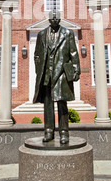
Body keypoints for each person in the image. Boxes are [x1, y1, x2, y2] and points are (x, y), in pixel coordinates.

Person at [33, 10, 81, 144]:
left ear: (60, 20)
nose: (55, 20)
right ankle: (48, 131)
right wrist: (39, 71)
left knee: (62, 104)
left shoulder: (68, 33)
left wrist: (76, 70)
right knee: (48, 105)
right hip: (46, 75)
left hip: (62, 74)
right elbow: (37, 55)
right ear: (49, 20)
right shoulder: (41, 34)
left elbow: (74, 53)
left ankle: (64, 132)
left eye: (57, 19)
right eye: (52, 19)